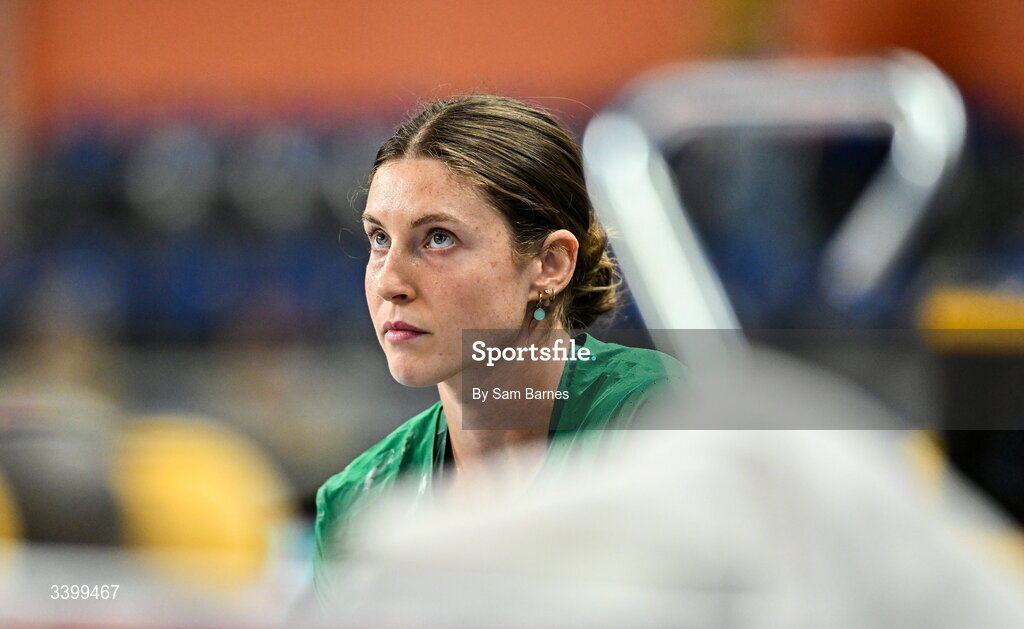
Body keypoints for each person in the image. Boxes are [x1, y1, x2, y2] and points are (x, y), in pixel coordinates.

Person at [313, 95, 683, 599]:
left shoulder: (660, 423)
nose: (389, 282)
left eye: (438, 238)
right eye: (380, 239)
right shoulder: (358, 500)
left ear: (550, 264)